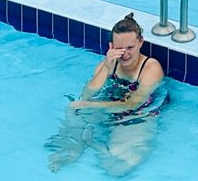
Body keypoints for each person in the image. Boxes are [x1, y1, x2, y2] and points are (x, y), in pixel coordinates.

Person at [47, 12, 169, 174]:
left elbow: (134, 103)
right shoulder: (107, 65)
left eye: (130, 47)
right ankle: (75, 146)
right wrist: (106, 67)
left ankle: (93, 142)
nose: (125, 53)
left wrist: (93, 106)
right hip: (107, 110)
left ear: (141, 42)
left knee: (116, 168)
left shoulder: (150, 68)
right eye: (119, 48)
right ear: (111, 46)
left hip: (135, 117)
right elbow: (87, 94)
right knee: (73, 108)